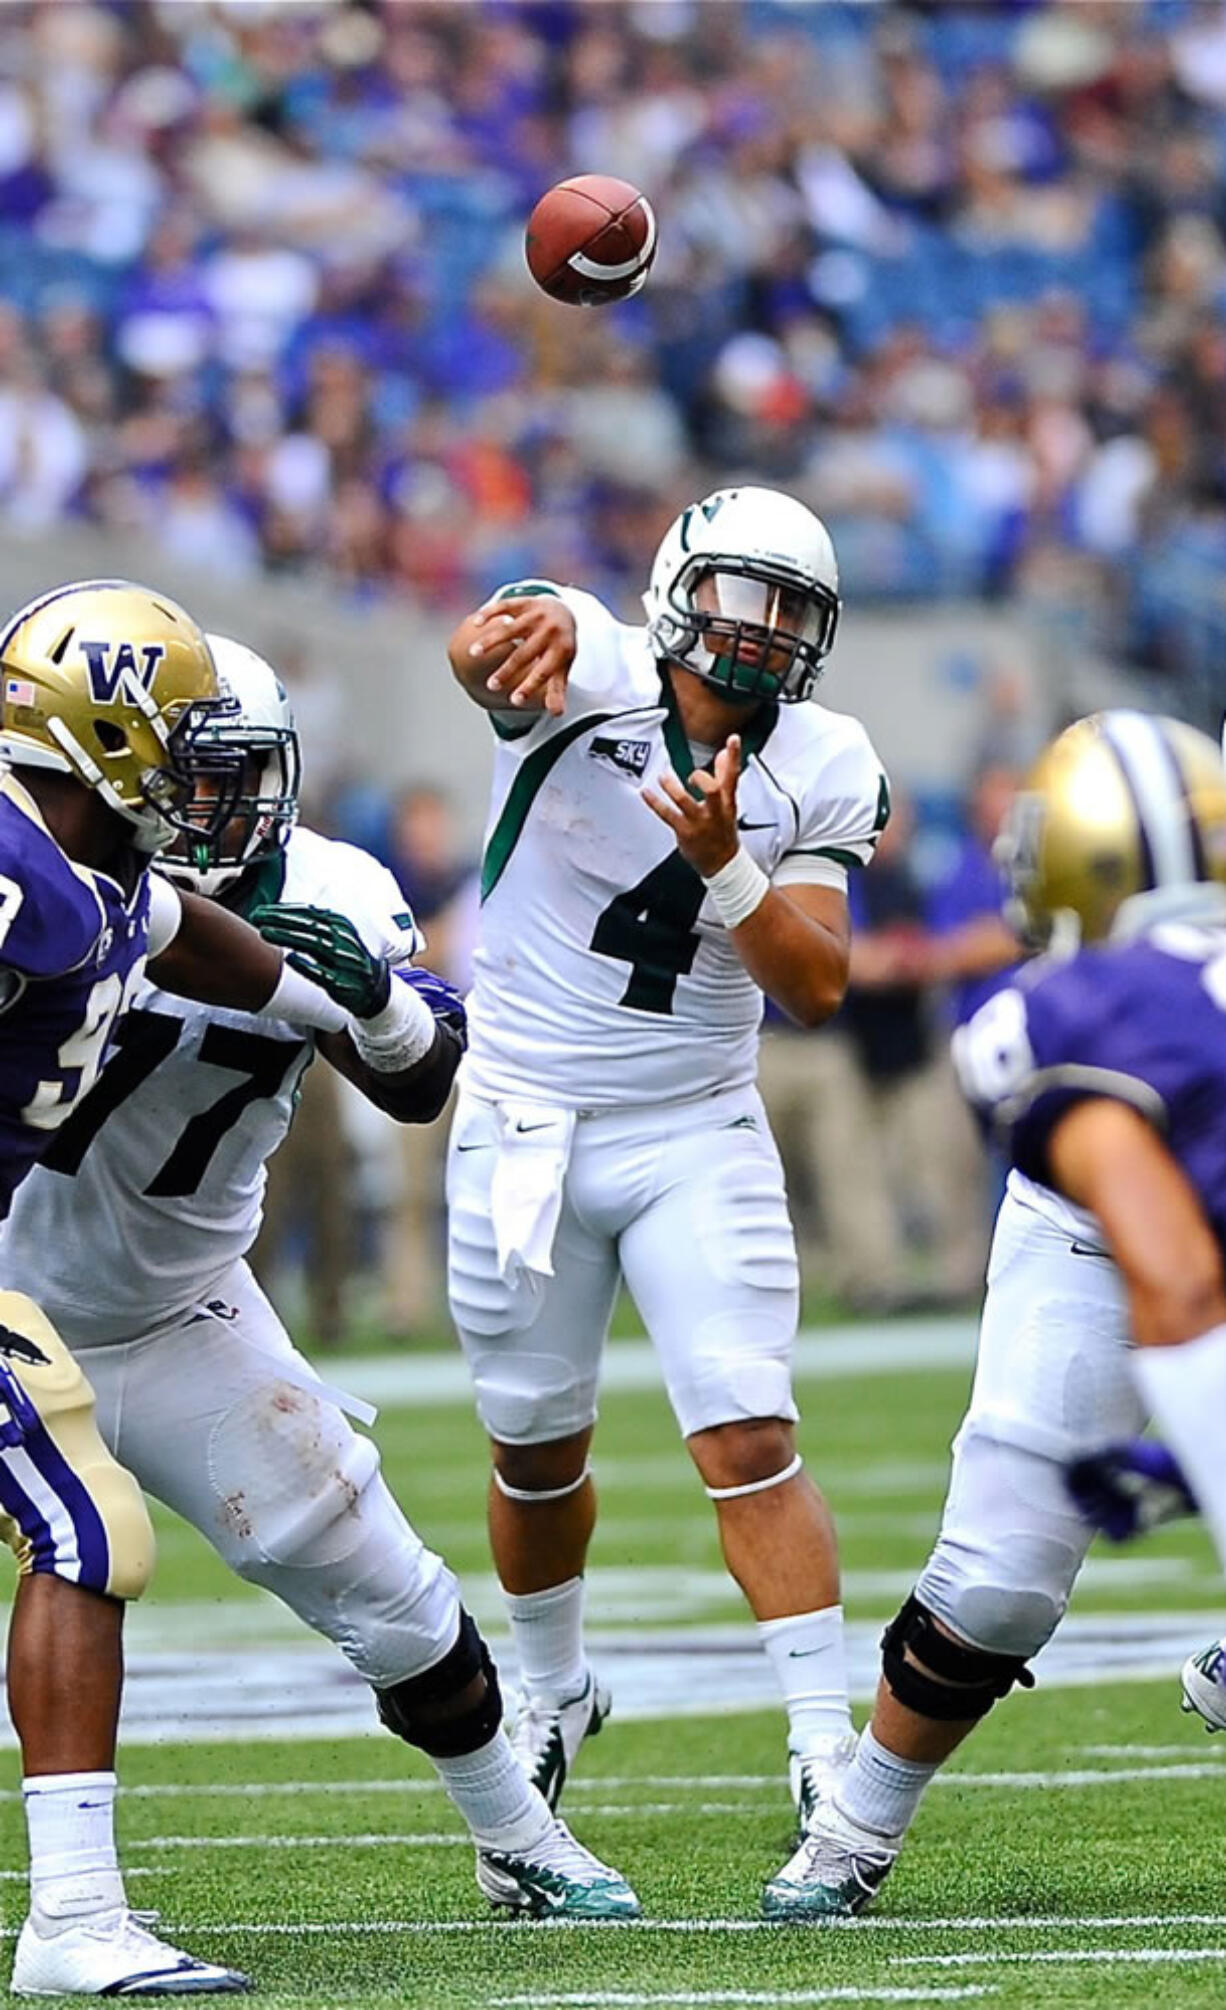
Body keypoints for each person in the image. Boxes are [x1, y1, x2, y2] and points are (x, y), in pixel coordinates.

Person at [1, 636, 641, 1938]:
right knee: (80, 1539)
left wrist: (380, 1012)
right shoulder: (52, 881)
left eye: (229, 774)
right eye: (185, 773)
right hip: (16, 1284)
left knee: (390, 1588)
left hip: (181, 1306)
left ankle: (516, 1832)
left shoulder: (327, 889)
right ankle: (76, 1912)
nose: (206, 806)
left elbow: (418, 1073)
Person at [444, 485, 890, 1915]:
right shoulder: (589, 670)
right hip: (521, 1121)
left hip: (696, 1122)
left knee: (748, 1427)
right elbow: (510, 642)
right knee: (532, 1453)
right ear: (676, 588)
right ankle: (553, 1692)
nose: (761, 634)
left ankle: (824, 1746)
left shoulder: (824, 757)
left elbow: (813, 981)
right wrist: (500, 635)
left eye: (790, 611)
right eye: (741, 595)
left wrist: (724, 860)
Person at [0, 578, 431, 1995]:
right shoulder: (22, 874)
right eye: (173, 735)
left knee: (83, 1527)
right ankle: (69, 1920)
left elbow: (203, 941)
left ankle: (74, 1913)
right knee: (82, 1523)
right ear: (105, 737)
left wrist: (352, 1005)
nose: (198, 768)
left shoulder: (109, 879)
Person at [772, 709, 1226, 1919]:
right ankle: (854, 1825)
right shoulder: (1073, 1020)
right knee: (996, 1587)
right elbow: (1167, 1261)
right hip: (1090, 1251)